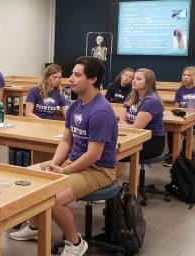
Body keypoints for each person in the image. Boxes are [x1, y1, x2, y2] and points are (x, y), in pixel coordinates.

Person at [9, 56, 118, 256]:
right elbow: (66, 141)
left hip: (99, 170)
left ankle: (76, 244)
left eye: (77, 75)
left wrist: (64, 171)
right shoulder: (76, 105)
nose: (70, 79)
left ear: (92, 79)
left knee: (54, 199)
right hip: (73, 162)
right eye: (72, 75)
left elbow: (94, 155)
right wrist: (53, 164)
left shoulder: (101, 111)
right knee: (26, 177)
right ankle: (34, 228)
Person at [164, 66, 195, 166]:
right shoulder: (179, 90)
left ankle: (185, 156)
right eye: (184, 75)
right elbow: (177, 109)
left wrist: (187, 117)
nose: (185, 77)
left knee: (185, 129)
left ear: (194, 77)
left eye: (189, 75)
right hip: (182, 117)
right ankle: (172, 155)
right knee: (171, 130)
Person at [119, 68, 165, 160]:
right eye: (134, 78)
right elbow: (121, 120)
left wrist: (118, 126)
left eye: (138, 79)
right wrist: (122, 125)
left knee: (108, 153)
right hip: (132, 136)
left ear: (148, 83)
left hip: (151, 142)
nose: (134, 81)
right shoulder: (131, 96)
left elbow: (136, 127)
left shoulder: (151, 100)